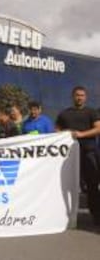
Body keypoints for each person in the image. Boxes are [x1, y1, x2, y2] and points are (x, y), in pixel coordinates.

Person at [56, 86, 100, 225]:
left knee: (92, 186)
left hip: (88, 154)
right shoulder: (64, 114)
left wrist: (81, 134)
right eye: (77, 95)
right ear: (72, 96)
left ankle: (97, 217)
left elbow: (98, 129)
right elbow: (56, 131)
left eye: (82, 95)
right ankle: (65, 216)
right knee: (66, 185)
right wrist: (65, 134)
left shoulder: (91, 112)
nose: (79, 97)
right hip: (68, 156)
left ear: (85, 97)